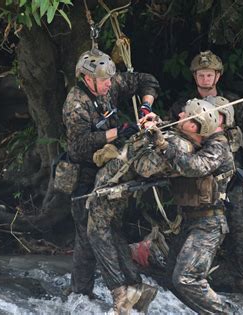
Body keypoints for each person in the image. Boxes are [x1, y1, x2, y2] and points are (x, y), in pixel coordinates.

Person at [87, 98, 236, 313]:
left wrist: (161, 145)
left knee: (186, 279)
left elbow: (193, 166)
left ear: (194, 125)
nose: (180, 116)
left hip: (209, 223)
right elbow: (175, 135)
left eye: (185, 115)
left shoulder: (215, 147)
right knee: (171, 278)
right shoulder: (192, 138)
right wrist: (156, 124)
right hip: (190, 220)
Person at [62, 48, 160, 298]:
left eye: (109, 80)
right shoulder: (76, 104)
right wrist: (119, 132)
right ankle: (82, 293)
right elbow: (79, 144)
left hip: (111, 169)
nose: (109, 84)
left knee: (110, 227)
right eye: (104, 81)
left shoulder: (111, 84)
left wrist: (146, 106)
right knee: (87, 233)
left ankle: (125, 286)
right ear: (88, 79)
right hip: (84, 172)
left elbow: (146, 80)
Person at [175, 50, 243, 295]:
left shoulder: (233, 102)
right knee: (191, 225)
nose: (205, 79)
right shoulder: (186, 105)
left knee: (237, 225)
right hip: (200, 174)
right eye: (201, 75)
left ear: (217, 76)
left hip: (232, 173)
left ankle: (242, 278)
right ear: (195, 77)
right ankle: (190, 278)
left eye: (209, 74)